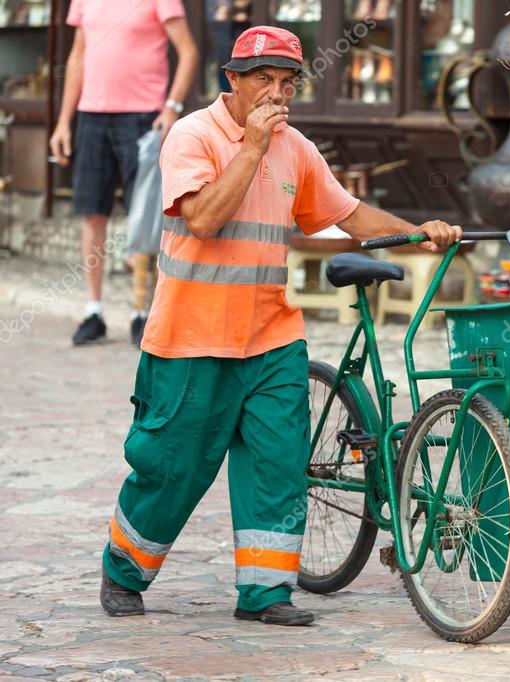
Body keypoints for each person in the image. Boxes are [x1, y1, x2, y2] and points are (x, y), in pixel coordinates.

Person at [98, 26, 462, 626]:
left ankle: (265, 593)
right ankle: (124, 568)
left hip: (271, 336)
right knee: (173, 467)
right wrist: (251, 147)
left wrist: (420, 230)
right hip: (192, 338)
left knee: (278, 465)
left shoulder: (294, 146)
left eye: (286, 83)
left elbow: (346, 214)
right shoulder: (191, 136)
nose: (276, 94)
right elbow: (206, 219)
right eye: (263, 80)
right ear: (232, 81)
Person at [48, 0, 199, 346]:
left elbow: (188, 51)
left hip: (142, 116)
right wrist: (63, 123)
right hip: (91, 116)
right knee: (91, 214)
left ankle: (140, 313)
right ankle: (94, 311)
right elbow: (77, 57)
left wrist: (171, 108)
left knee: (143, 216)